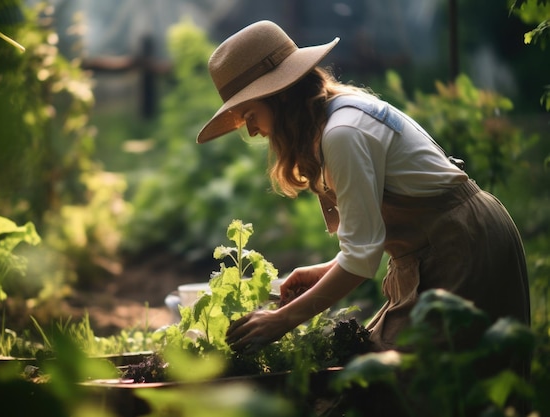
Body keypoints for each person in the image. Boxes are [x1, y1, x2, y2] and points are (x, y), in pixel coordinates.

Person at [196, 21, 530, 359]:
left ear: (279, 96)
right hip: (451, 242)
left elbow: (360, 259)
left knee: (414, 388)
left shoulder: (343, 133)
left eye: (250, 115)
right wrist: (322, 272)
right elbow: (365, 244)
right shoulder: (336, 113)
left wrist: (280, 321)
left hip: (462, 246)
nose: (252, 131)